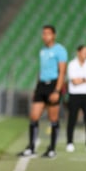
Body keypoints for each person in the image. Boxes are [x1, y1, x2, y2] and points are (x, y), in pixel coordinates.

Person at [18, 25, 68, 158]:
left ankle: (51, 149)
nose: (45, 36)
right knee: (34, 116)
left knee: (53, 119)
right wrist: (36, 88)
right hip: (41, 86)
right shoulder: (42, 51)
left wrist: (57, 91)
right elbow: (41, 70)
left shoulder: (60, 50)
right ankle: (31, 148)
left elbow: (62, 72)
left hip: (53, 85)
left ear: (54, 35)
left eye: (48, 34)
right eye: (43, 34)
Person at [66, 45, 86, 152]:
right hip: (74, 95)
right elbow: (74, 81)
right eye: (84, 52)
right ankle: (69, 142)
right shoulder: (72, 64)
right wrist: (84, 79)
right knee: (72, 119)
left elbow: (78, 80)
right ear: (78, 52)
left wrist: (80, 80)